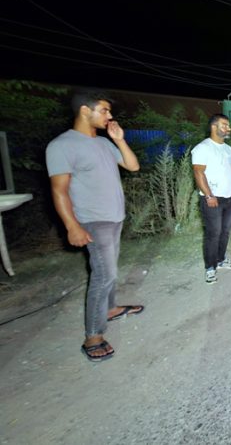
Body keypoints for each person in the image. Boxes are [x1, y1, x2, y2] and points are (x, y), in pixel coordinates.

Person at [46, 90, 142, 362]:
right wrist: (72, 226)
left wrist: (120, 141)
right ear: (85, 111)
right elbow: (59, 191)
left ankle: (110, 309)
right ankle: (93, 336)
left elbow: (132, 166)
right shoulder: (62, 145)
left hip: (115, 217)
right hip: (92, 219)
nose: (109, 116)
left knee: (110, 272)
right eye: (104, 110)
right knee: (103, 275)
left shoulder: (104, 143)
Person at [192, 114, 231, 284]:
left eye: (228, 125)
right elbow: (198, 172)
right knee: (213, 233)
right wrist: (209, 195)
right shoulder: (202, 148)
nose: (228, 128)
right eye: (225, 125)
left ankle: (221, 259)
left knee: (225, 231)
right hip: (213, 199)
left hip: (230, 198)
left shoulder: (228, 149)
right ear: (214, 127)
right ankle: (210, 267)